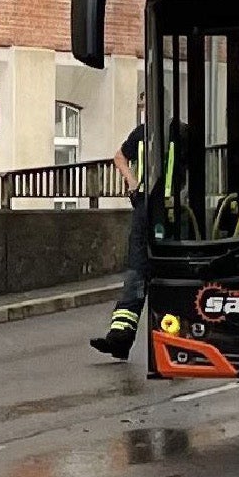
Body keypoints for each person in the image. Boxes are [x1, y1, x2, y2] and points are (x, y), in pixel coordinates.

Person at [92, 120, 151, 360]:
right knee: (139, 272)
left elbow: (119, 157)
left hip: (147, 206)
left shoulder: (144, 131)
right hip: (166, 209)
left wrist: (133, 182)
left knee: (138, 271)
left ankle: (121, 336)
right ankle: (120, 335)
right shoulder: (181, 132)